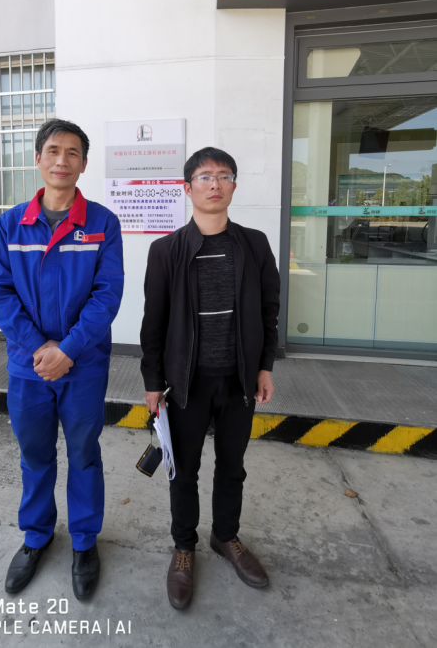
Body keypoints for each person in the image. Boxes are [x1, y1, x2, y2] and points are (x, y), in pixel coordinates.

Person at [0, 119, 124, 600]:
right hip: (29, 367)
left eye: (72, 153)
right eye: (53, 150)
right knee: (35, 453)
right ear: (38, 158)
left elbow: (107, 296)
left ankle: (84, 541)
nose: (62, 160)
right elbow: (1, 293)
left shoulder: (102, 224)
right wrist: (39, 348)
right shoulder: (11, 224)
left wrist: (67, 349)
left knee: (84, 453)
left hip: (83, 366)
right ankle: (36, 536)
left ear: (83, 163)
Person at [140, 146, 280, 610]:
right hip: (187, 383)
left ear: (234, 186)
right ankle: (184, 546)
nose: (214, 184)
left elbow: (269, 310)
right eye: (204, 177)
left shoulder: (254, 244)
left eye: (223, 175)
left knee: (232, 466)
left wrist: (264, 366)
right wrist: (153, 382)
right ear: (188, 188)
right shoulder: (166, 251)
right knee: (184, 471)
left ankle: (225, 536)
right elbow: (153, 323)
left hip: (239, 381)